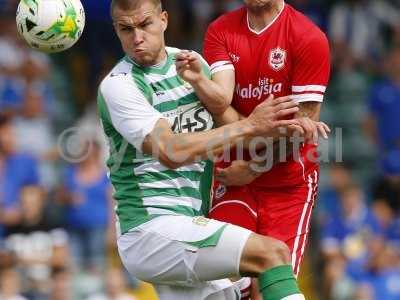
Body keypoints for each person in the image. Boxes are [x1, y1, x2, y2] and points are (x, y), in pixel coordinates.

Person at [97, 0, 328, 299]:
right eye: (126, 29)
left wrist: (283, 129)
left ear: (164, 20)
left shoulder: (192, 67)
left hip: (190, 223)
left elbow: (233, 128)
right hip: (152, 229)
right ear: (116, 30)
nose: (137, 37)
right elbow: (170, 150)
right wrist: (252, 125)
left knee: (249, 293)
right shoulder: (120, 86)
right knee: (271, 254)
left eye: (145, 25)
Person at [175, 0, 330, 297]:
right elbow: (221, 105)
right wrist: (262, 129)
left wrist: (254, 166)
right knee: (228, 283)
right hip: (232, 179)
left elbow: (305, 127)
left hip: (288, 183)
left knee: (272, 283)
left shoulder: (309, 37)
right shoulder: (221, 30)